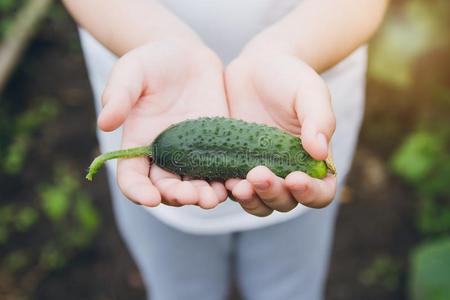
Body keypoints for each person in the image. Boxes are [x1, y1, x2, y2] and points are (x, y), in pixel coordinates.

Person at [62, 1, 389, 299]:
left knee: (289, 287)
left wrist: (287, 50)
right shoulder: (161, 142)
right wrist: (153, 38)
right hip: (149, 102)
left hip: (297, 107)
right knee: (181, 288)